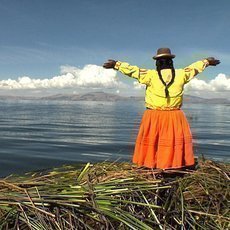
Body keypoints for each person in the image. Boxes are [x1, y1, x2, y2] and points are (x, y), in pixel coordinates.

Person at [103, 48, 220, 170]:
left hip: (154, 116)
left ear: (157, 62)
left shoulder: (150, 75)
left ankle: (152, 164)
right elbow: (194, 68)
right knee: (171, 142)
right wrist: (206, 61)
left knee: (154, 142)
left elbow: (134, 71)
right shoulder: (182, 74)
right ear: (171, 62)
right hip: (174, 116)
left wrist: (116, 64)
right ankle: (172, 165)